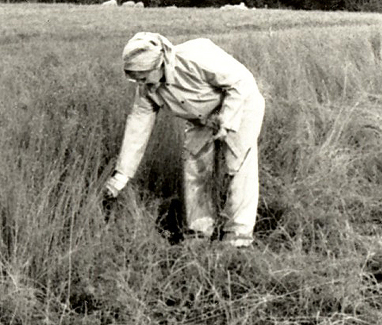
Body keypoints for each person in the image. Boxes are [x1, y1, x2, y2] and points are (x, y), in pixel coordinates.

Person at [103, 31, 266, 248]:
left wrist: (226, 121)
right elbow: (137, 129)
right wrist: (121, 176)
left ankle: (237, 237)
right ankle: (199, 232)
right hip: (201, 118)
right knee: (194, 167)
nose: (140, 84)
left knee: (239, 166)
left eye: (143, 77)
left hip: (241, 104)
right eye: (134, 78)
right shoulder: (146, 89)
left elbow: (240, 82)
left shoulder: (194, 58)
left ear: (159, 64)